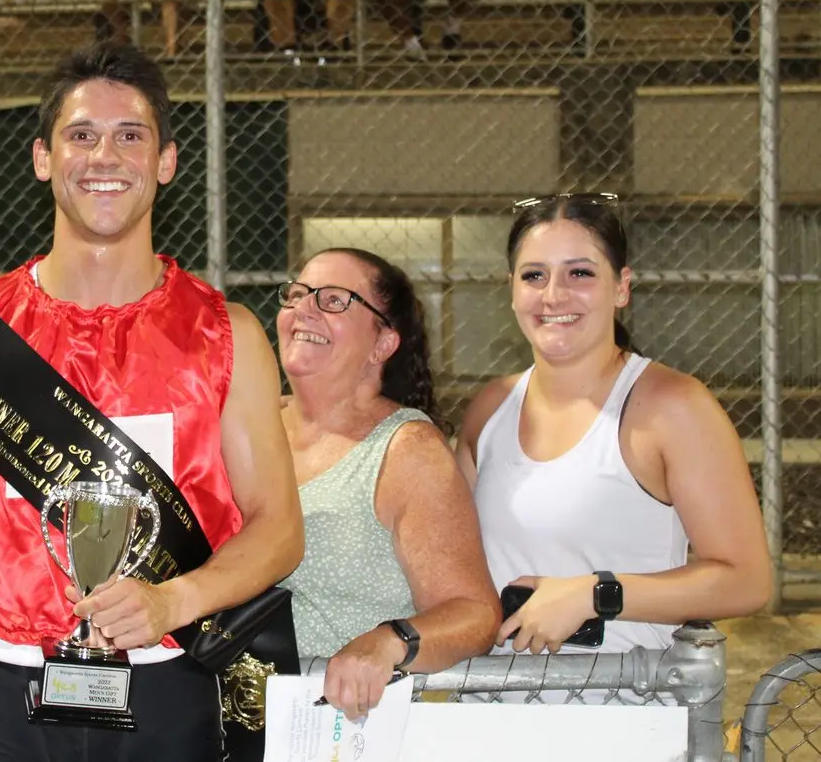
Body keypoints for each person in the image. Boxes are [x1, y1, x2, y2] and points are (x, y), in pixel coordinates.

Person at [0, 42, 305, 762]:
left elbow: (278, 529)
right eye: (81, 135)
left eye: (129, 135)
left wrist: (176, 599)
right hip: (11, 693)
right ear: (43, 157)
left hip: (173, 688)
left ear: (165, 161)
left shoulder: (226, 335)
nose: (104, 155)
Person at [454, 193, 771, 669]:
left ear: (621, 287)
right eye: (533, 275)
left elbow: (746, 581)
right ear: (512, 290)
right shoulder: (491, 408)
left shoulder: (672, 407)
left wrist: (594, 595)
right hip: (491, 706)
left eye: (580, 273)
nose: (554, 295)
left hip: (621, 712)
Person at [276, 248, 500, 722]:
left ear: (383, 344)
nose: (303, 310)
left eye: (334, 300)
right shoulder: (248, 428)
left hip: (342, 727)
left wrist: (389, 641)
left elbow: (474, 613)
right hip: (227, 720)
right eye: (296, 295)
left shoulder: (406, 450)